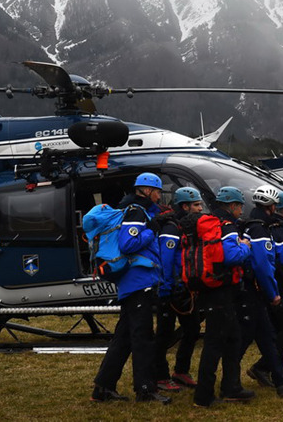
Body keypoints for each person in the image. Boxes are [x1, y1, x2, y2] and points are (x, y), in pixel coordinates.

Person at [91, 172, 171, 404]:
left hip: (133, 282)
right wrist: (151, 229)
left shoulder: (134, 209)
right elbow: (128, 244)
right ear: (145, 190)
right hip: (139, 282)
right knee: (142, 337)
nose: (158, 196)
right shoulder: (137, 211)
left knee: (124, 338)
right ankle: (145, 389)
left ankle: (103, 388)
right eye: (156, 191)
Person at [241, 185, 283, 397]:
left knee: (267, 335)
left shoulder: (253, 225)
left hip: (259, 287)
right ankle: (262, 370)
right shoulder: (275, 229)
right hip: (271, 287)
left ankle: (280, 377)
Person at [193, 186, 253, 407]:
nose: (241, 210)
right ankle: (203, 396)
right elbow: (232, 256)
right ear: (233, 205)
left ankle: (232, 387)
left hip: (212, 288)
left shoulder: (210, 222)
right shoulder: (227, 227)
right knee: (214, 344)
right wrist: (246, 247)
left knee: (232, 339)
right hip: (222, 291)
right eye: (240, 206)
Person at [154, 187, 205, 392]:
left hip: (184, 288)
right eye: (197, 205)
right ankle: (160, 376)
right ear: (185, 206)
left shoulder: (188, 227)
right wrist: (166, 287)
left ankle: (181, 371)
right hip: (170, 289)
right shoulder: (172, 228)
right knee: (164, 335)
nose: (200, 209)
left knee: (192, 330)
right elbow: (166, 259)